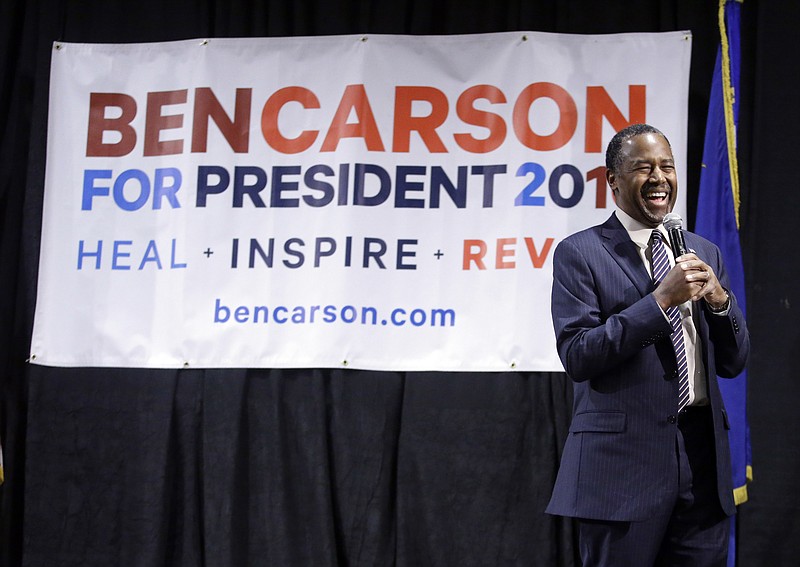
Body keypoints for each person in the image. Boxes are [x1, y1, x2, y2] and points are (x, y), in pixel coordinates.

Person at [545, 123, 750, 566]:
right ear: (613, 181)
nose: (660, 178)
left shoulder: (703, 252)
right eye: (644, 168)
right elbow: (579, 354)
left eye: (668, 167)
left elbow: (734, 362)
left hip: (701, 464)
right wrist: (661, 301)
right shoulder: (580, 253)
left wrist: (718, 301)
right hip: (622, 471)